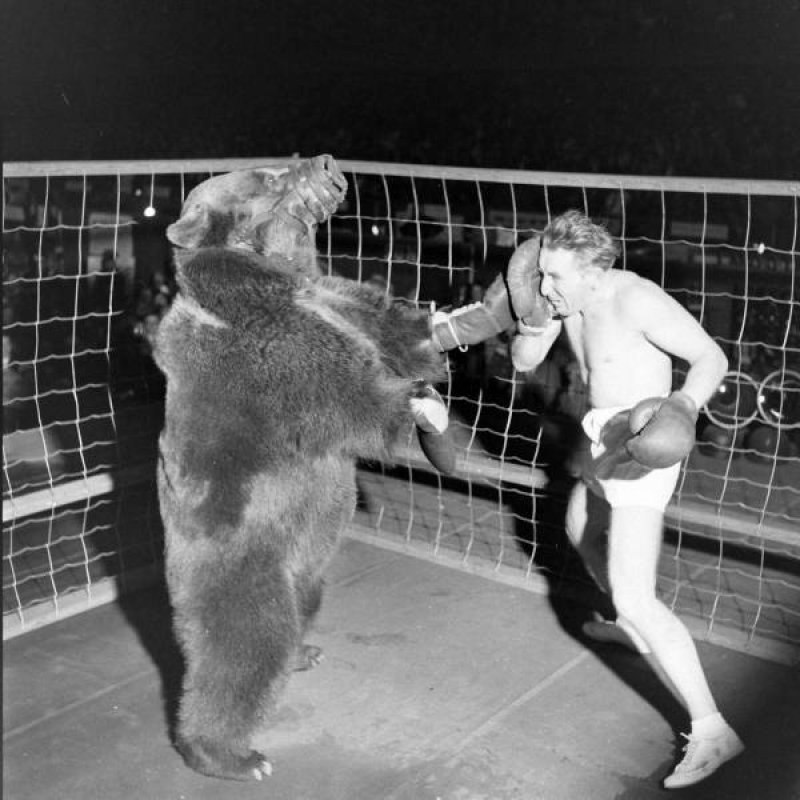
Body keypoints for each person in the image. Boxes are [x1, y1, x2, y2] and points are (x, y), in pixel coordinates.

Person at [431, 210, 743, 790]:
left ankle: (711, 729)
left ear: (594, 272)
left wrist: (682, 407)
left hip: (645, 442)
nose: (546, 285)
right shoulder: (561, 302)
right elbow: (524, 362)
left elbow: (712, 359)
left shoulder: (635, 298)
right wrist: (532, 320)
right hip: (602, 438)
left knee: (634, 593)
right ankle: (633, 626)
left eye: (556, 276)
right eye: (543, 274)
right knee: (579, 527)